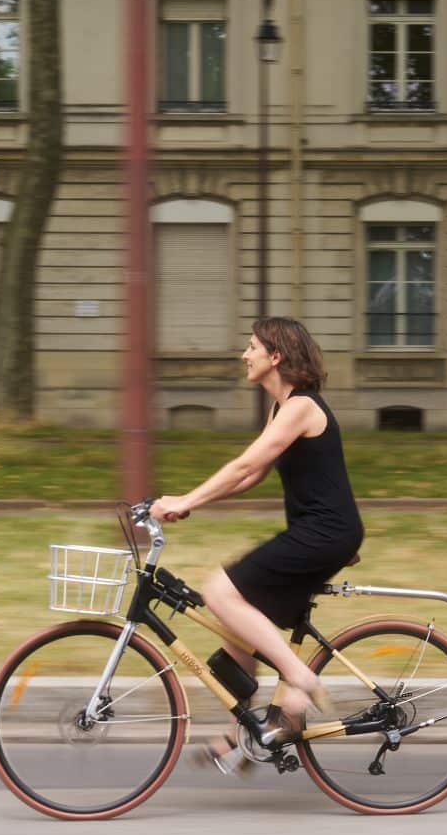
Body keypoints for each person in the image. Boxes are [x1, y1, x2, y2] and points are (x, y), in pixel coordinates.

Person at [149, 317, 363, 773]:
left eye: (251, 347)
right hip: (318, 531)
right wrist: (193, 503)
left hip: (324, 533)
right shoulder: (280, 410)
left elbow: (247, 463)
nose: (244, 355)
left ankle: (299, 678)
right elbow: (251, 476)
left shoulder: (302, 407)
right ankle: (245, 733)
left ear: (276, 356)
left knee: (220, 593)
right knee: (237, 628)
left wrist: (187, 500)